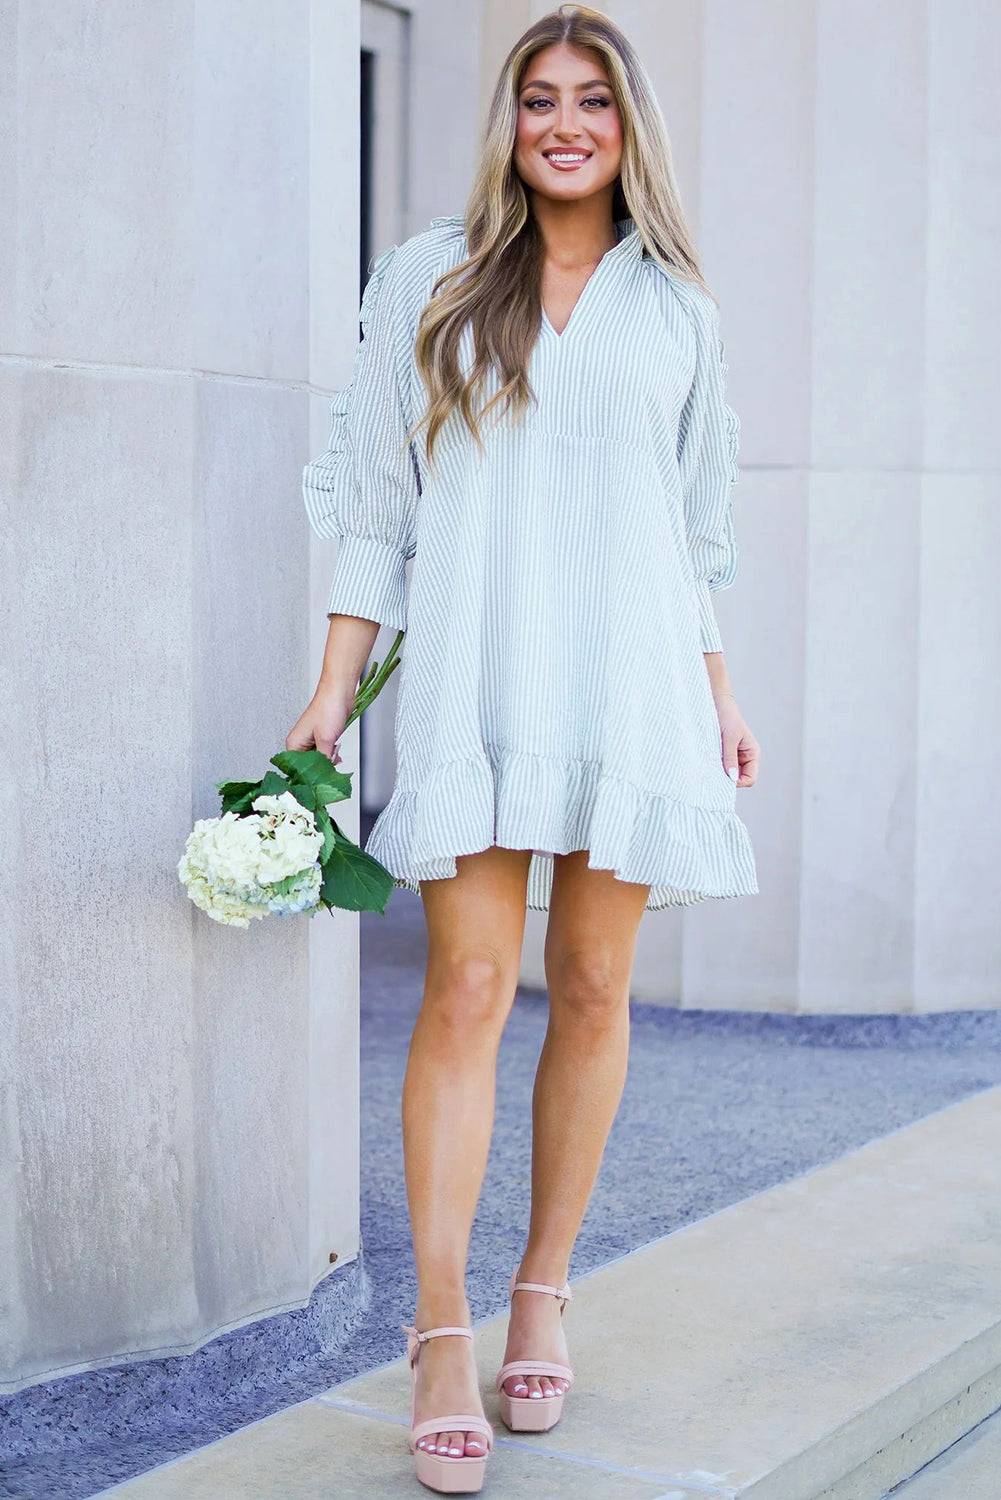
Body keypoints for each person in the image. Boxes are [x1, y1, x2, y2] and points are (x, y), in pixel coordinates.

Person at [286, 3, 760, 1490]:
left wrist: (720, 696)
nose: (564, 123)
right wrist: (329, 688)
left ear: (630, 131)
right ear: (508, 122)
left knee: (599, 985)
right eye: (538, 98)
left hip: (630, 689)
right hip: (477, 680)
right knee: (470, 986)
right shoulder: (427, 277)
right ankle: (439, 1324)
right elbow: (378, 500)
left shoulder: (678, 307)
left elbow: (693, 540)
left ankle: (541, 1291)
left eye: (593, 103)